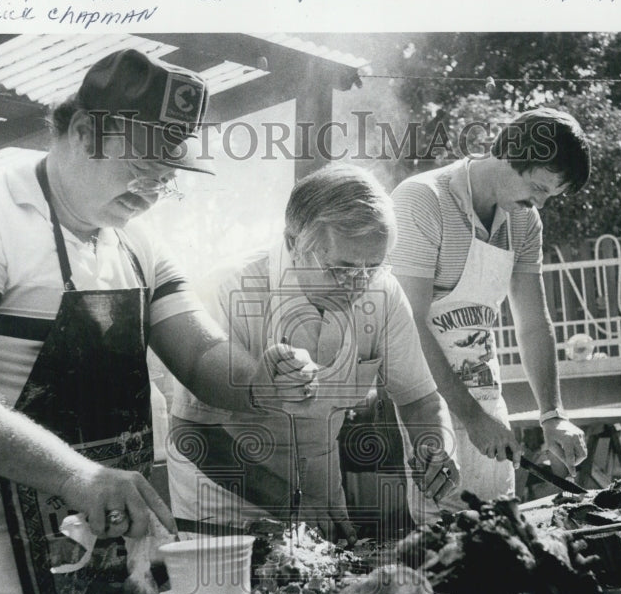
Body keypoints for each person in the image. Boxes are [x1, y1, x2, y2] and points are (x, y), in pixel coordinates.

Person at [0, 48, 317, 594]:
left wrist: (265, 381)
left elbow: (201, 356)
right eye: (142, 163)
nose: (155, 186)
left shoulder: (139, 244)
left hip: (112, 513)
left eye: (167, 174)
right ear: (85, 131)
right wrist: (77, 477)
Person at [167, 164, 460, 542]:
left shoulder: (382, 291)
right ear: (294, 244)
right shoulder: (227, 289)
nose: (359, 284)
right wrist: (290, 503)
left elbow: (420, 398)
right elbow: (192, 431)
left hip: (320, 501)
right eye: (341, 269)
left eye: (372, 267)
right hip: (226, 512)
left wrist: (434, 445)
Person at [388, 107, 592, 525]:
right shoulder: (421, 199)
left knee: (503, 530)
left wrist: (553, 415)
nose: (539, 203)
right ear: (508, 153)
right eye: (537, 187)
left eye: (549, 196)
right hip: (425, 407)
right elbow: (409, 327)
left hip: (487, 399)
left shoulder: (524, 222)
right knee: (445, 538)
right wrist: (471, 418)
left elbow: (534, 325)